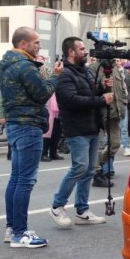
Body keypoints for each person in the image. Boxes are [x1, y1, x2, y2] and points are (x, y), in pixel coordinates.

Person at [0, 26, 63, 248]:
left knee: (16, 179)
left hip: (16, 125)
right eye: (36, 42)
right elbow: (41, 93)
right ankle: (20, 233)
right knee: (25, 180)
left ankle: (12, 228)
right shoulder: (25, 66)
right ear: (23, 44)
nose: (39, 46)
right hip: (28, 126)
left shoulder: (8, 65)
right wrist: (55, 77)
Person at [49, 37, 112, 228]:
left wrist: (102, 87)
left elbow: (89, 93)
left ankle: (82, 210)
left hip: (92, 125)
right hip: (76, 128)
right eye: (82, 48)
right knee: (80, 167)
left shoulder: (84, 70)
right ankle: (57, 206)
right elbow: (71, 100)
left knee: (89, 170)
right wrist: (102, 99)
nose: (86, 51)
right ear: (71, 52)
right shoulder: (65, 74)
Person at [89, 53, 129, 187]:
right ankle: (97, 172)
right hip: (100, 112)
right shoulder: (94, 68)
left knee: (115, 144)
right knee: (99, 145)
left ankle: (96, 165)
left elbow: (124, 88)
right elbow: (90, 90)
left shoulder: (116, 68)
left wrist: (124, 103)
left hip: (115, 112)